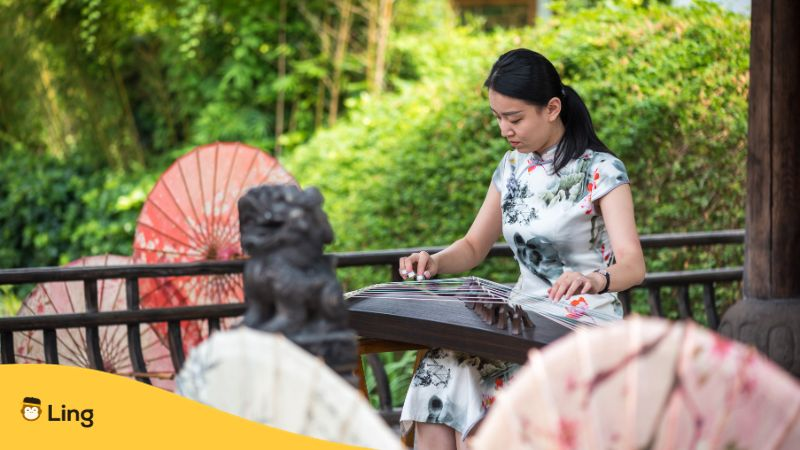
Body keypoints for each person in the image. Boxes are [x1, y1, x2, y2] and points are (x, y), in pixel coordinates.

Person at [397, 49, 646, 449]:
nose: (504, 130)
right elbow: (474, 245)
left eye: (514, 119)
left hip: (581, 325)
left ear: (552, 108)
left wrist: (594, 278)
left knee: (500, 409)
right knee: (439, 369)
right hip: (522, 320)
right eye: (497, 117)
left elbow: (633, 265)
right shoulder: (512, 167)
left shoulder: (602, 170)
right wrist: (434, 260)